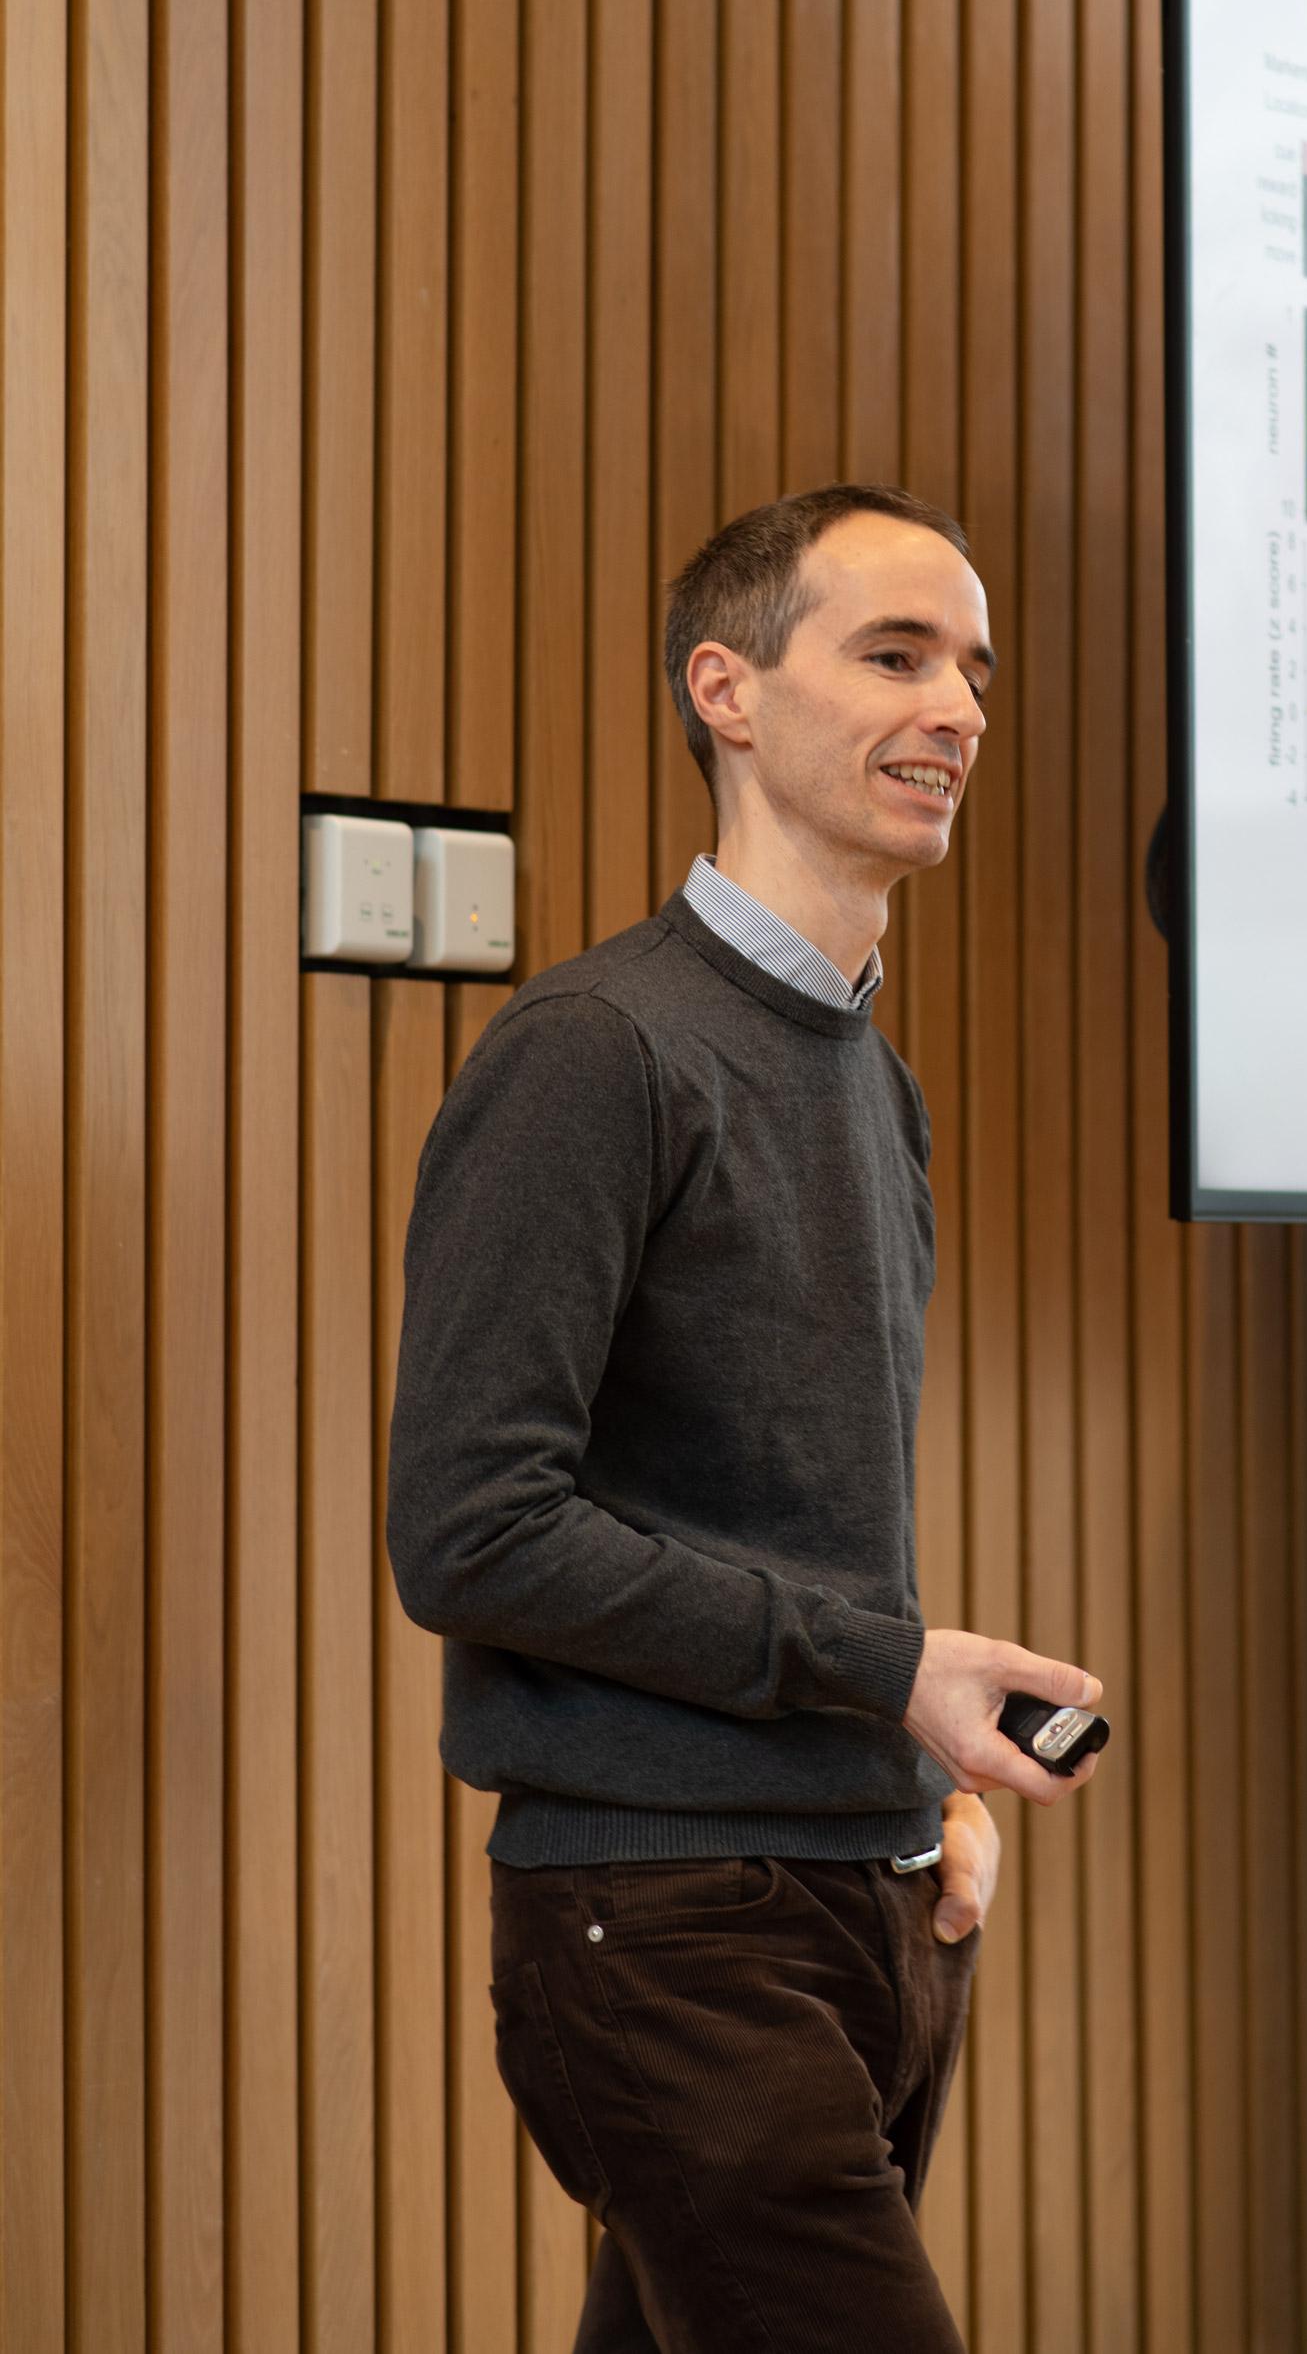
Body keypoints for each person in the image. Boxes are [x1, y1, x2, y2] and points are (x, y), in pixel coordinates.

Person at [385, 483, 1105, 2353]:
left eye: (971, 667)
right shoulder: (591, 1055)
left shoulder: (881, 1090)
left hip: (871, 1897)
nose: (955, 705)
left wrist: (919, 1769)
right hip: (663, 1927)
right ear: (725, 686)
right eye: (892, 653)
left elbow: (794, 1512)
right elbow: (472, 1529)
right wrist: (891, 1673)